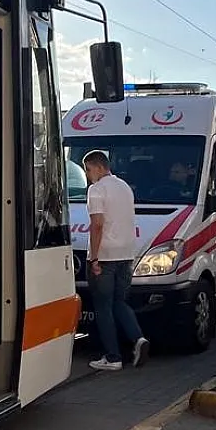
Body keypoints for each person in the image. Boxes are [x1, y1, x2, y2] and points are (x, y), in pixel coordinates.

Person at [82, 150, 149, 371]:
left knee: (103, 307)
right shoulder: (125, 187)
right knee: (120, 302)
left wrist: (94, 257)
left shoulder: (96, 190)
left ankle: (113, 357)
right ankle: (138, 339)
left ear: (99, 167)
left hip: (106, 256)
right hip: (127, 254)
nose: (87, 175)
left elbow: (98, 224)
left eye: (88, 169)